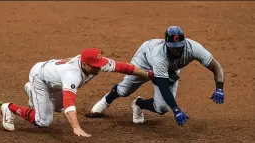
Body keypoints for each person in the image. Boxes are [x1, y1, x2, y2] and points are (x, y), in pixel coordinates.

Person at [1, 48, 154, 137]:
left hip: (54, 80)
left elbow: (124, 67)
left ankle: (33, 93)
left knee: (57, 107)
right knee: (44, 121)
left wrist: (148, 74)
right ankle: (9, 108)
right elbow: (69, 102)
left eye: (99, 64)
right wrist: (76, 127)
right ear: (85, 64)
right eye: (95, 66)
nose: (98, 68)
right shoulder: (71, 74)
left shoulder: (97, 63)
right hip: (40, 78)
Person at [91, 26, 225, 126]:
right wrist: (176, 109)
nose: (177, 50)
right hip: (144, 60)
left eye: (179, 46)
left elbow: (216, 66)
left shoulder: (194, 48)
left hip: (169, 69)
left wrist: (219, 87)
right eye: (173, 47)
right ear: (167, 44)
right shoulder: (159, 55)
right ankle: (106, 100)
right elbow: (162, 85)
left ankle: (138, 104)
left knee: (162, 108)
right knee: (124, 90)